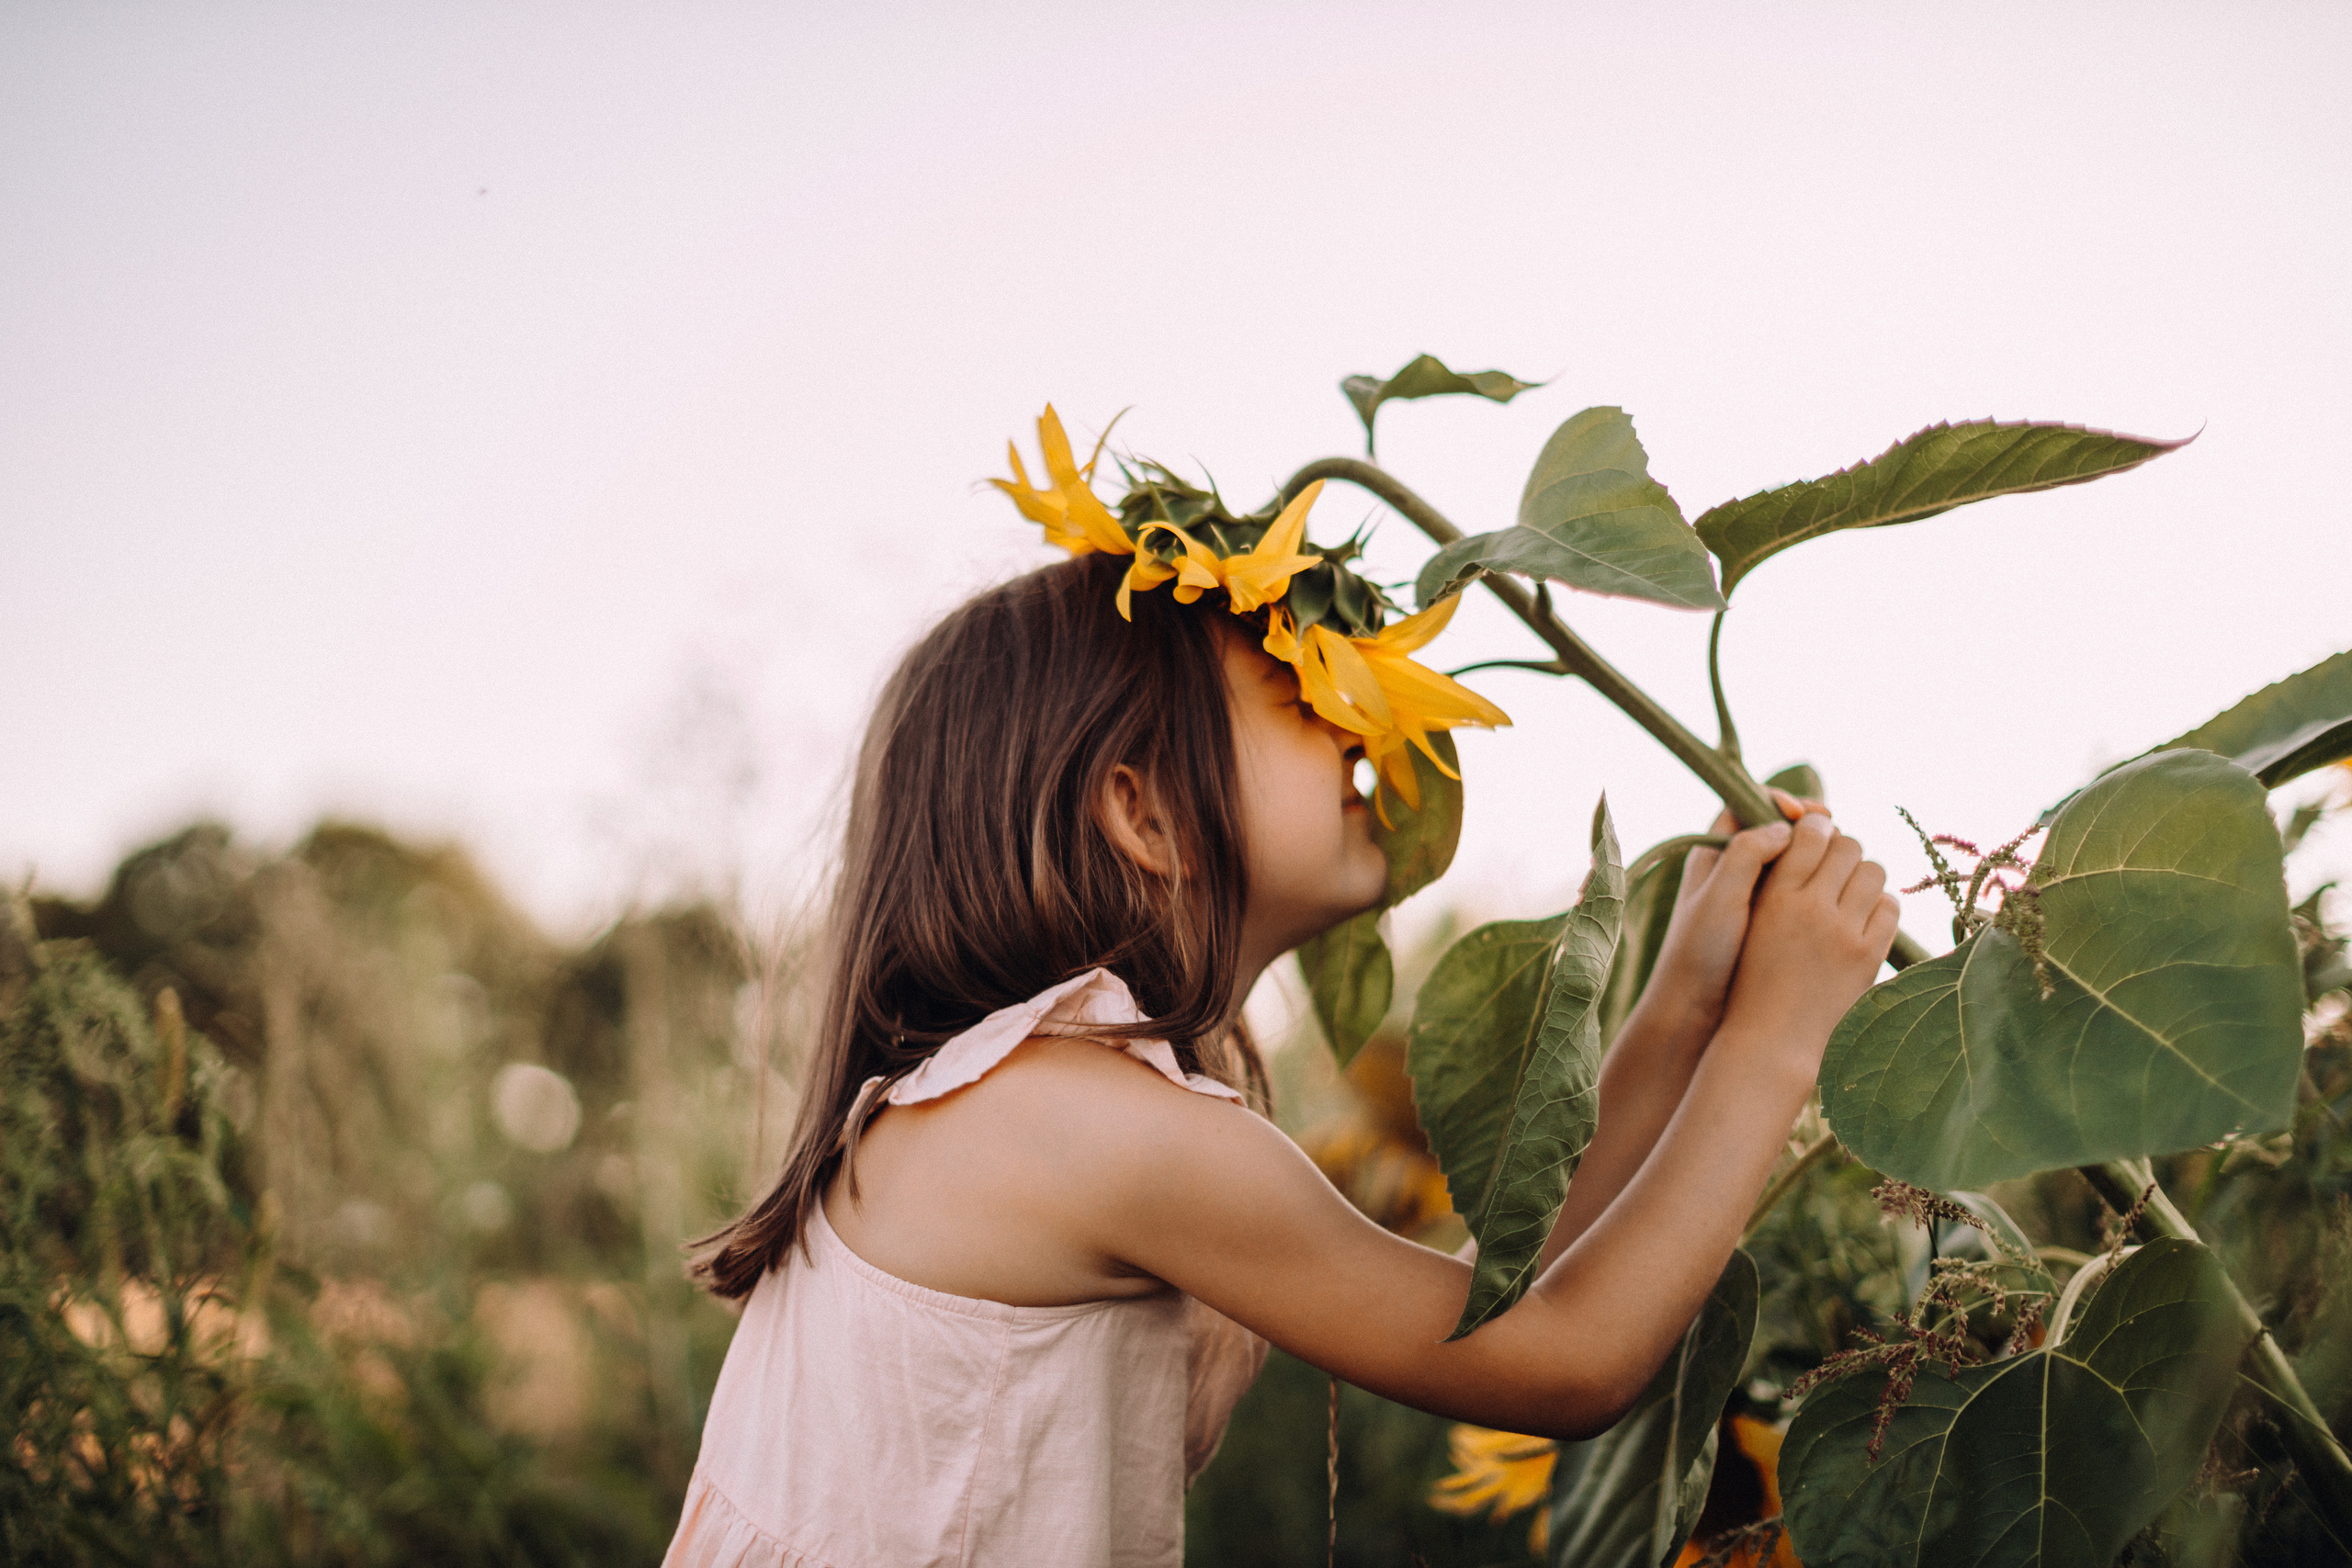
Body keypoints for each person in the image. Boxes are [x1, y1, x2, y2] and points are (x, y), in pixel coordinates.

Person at [662, 411, 1899, 1567]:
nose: (1357, 722)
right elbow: (1563, 1358)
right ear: (1144, 812)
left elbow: (1497, 1304)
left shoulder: (1022, 1107)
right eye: (1295, 691)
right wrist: (1776, 1039)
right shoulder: (1075, 1124)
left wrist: (1684, 1008)